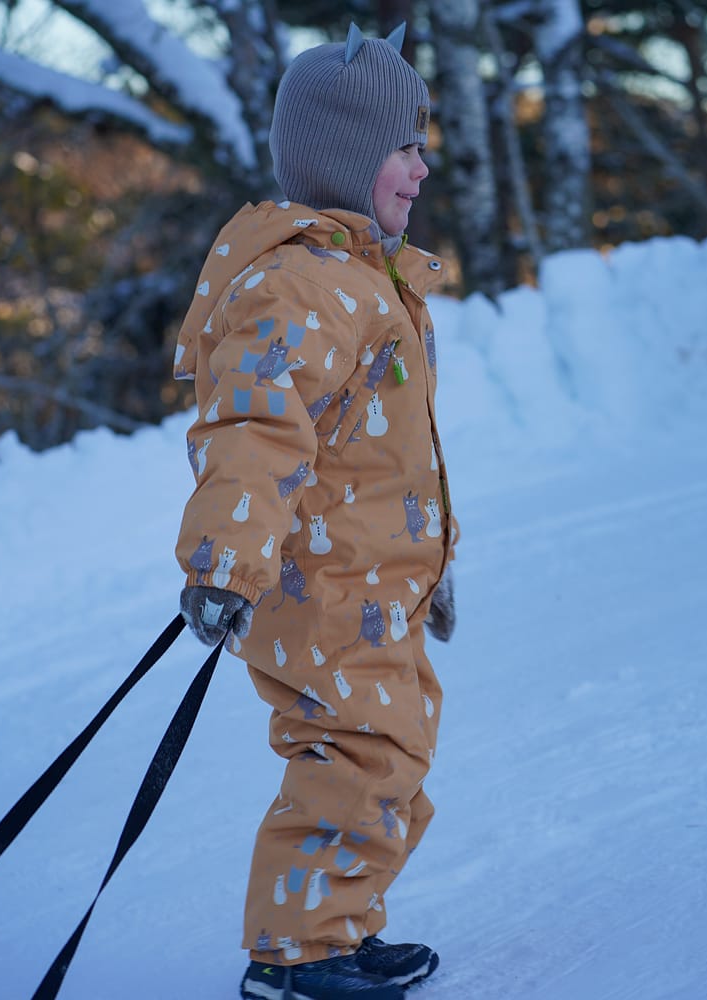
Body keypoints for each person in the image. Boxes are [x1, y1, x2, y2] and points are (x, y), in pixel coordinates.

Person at [173, 22, 457, 1000]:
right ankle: (294, 957)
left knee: (392, 758)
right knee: (356, 757)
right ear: (345, 153)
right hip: (322, 588)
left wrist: (434, 561)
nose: (421, 165)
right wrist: (221, 561)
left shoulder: (365, 282)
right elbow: (251, 430)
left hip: (378, 584)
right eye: (403, 145)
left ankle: (332, 929)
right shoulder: (297, 285)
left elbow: (388, 460)